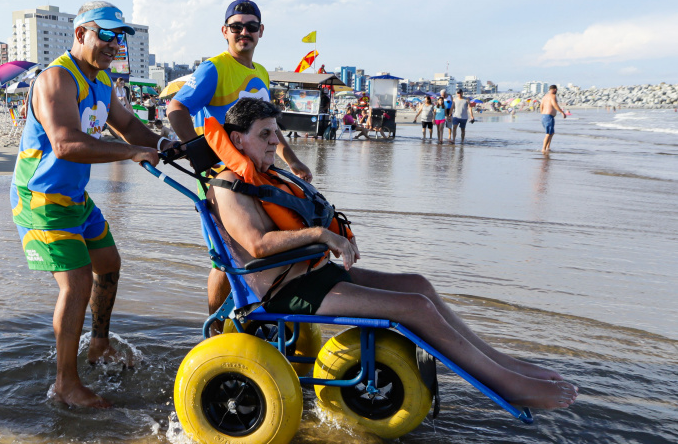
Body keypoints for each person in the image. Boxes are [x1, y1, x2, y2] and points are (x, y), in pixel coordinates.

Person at [206, 98, 579, 410]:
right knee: (417, 308)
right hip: (288, 289)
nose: (276, 142)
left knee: (419, 285)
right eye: (265, 134)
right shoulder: (228, 187)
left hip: (310, 274)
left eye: (277, 132)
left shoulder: (262, 175)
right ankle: (506, 384)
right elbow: (256, 245)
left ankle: (503, 364)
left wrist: (329, 237)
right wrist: (322, 235)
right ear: (237, 139)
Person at [10, 1, 164, 409]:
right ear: (81, 34)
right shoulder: (57, 78)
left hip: (75, 197)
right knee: (76, 284)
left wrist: (166, 145)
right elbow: (64, 144)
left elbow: (128, 125)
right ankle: (66, 383)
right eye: (107, 35)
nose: (116, 45)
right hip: (41, 198)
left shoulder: (101, 79)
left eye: (121, 38)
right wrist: (130, 154)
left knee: (108, 263)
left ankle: (98, 345)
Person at [166, 0, 313, 321]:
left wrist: (292, 161)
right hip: (225, 179)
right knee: (225, 257)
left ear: (261, 31)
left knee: (263, 248)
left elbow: (269, 124)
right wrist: (198, 154)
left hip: (260, 175)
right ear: (225, 31)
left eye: (250, 27)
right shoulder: (214, 68)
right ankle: (215, 329)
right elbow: (176, 108)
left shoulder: (260, 72)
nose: (243, 32)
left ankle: (255, 315)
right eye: (236, 27)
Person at [539, 85, 567, 153]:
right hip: (548, 116)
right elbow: (555, 105)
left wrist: (542, 113)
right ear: (555, 89)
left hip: (544, 116)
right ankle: (543, 149)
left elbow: (541, 106)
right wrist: (562, 112)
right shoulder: (553, 96)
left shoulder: (545, 97)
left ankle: (548, 147)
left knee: (552, 133)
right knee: (548, 133)